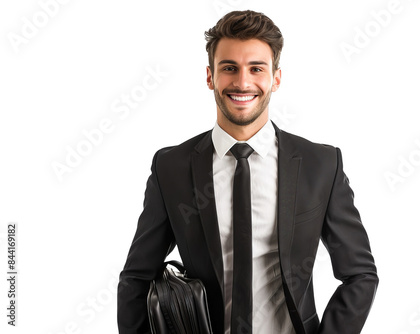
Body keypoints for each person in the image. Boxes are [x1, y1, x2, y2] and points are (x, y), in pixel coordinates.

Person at [117, 10, 378, 334]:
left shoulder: (320, 164)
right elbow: (136, 278)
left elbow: (360, 274)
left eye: (256, 68)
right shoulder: (171, 167)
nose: (242, 82)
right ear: (210, 76)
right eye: (230, 68)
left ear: (275, 78)